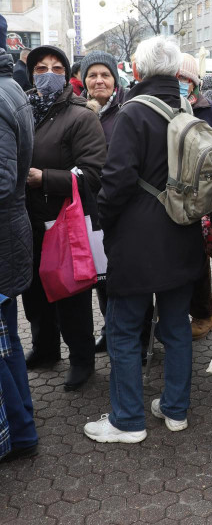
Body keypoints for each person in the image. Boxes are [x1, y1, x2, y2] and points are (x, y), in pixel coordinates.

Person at [84, 36, 205, 443]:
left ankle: (127, 420)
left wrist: (104, 219)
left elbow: (116, 181)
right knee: (175, 328)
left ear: (135, 71)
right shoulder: (186, 106)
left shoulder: (132, 113)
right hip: (183, 234)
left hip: (137, 242)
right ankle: (175, 410)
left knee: (123, 330)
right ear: (175, 70)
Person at [21, 45, 106, 392]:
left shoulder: (81, 115)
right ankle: (44, 349)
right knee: (35, 294)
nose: (48, 74)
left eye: (57, 68)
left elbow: (94, 173)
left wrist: (45, 178)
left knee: (70, 294)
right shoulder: (22, 108)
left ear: (68, 74)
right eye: (41, 68)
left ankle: (82, 360)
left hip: (63, 222)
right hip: (26, 220)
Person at [0, 23, 39, 462]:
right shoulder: (11, 86)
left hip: (4, 232)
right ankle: (21, 427)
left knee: (4, 344)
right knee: (6, 340)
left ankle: (21, 431)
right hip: (9, 229)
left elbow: (2, 178)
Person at [77, 51, 130, 354]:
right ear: (84, 79)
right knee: (101, 275)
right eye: (93, 75)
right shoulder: (80, 110)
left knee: (125, 274)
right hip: (90, 208)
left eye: (105, 75)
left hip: (122, 208)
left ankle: (133, 331)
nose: (99, 80)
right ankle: (110, 329)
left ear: (114, 79)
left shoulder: (127, 109)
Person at [177, 53, 212, 341]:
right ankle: (177, 313)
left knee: (198, 259)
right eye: (176, 78)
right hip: (171, 194)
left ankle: (204, 315)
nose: (180, 84)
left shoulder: (205, 108)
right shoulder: (166, 107)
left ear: (193, 83)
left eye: (185, 79)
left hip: (198, 196)